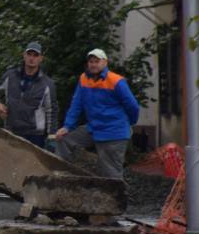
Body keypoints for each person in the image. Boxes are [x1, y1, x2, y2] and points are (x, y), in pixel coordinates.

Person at [55, 48, 140, 180]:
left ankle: (116, 199)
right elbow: (76, 105)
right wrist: (67, 126)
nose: (93, 64)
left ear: (105, 63)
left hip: (113, 132)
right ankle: (62, 177)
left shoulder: (116, 81)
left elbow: (133, 105)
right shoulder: (84, 79)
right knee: (64, 139)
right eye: (91, 61)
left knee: (110, 172)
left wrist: (130, 123)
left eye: (97, 61)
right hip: (94, 128)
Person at [0, 41, 56, 148]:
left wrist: (52, 136)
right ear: (24, 55)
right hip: (11, 130)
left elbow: (51, 111)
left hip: (35, 135)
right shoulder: (10, 76)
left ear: (41, 59)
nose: (31, 58)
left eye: (35, 55)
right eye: (29, 54)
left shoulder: (47, 84)